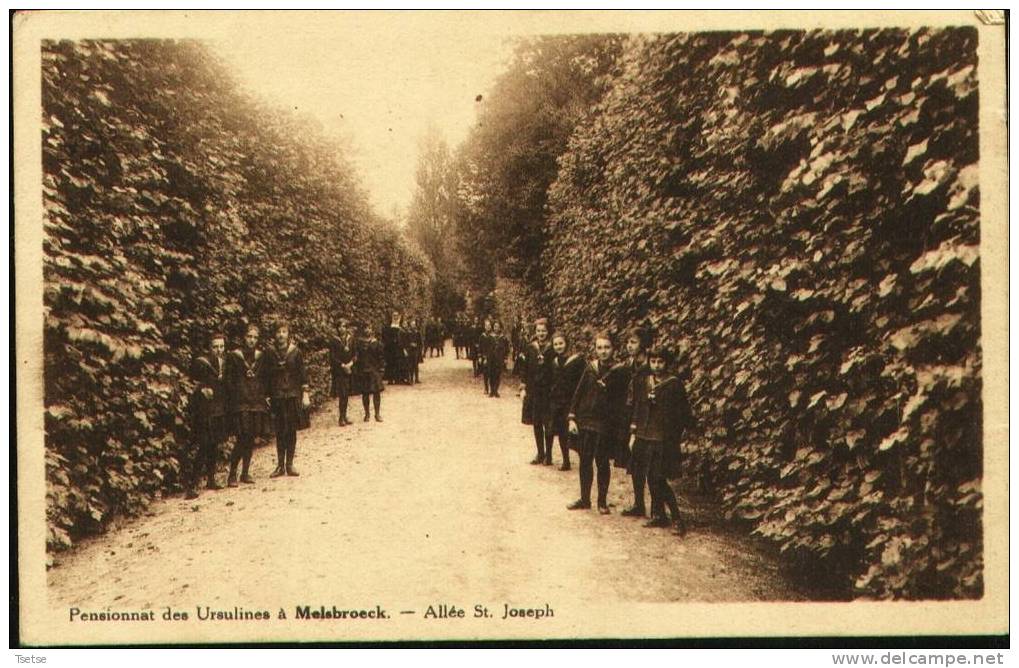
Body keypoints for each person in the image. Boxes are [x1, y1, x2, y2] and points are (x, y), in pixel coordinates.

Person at [629, 345, 694, 535]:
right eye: (653, 361)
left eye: (660, 362)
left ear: (667, 363)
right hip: (644, 435)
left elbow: (683, 413)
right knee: (649, 475)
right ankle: (659, 515)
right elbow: (638, 408)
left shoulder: (674, 384)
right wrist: (634, 432)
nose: (656, 366)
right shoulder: (644, 381)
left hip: (663, 438)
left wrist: (673, 436)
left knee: (659, 478)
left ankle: (677, 518)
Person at [567, 331, 616, 513]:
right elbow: (578, 393)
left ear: (613, 349)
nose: (603, 351)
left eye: (607, 347)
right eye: (599, 347)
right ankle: (584, 498)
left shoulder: (618, 371)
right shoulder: (590, 368)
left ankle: (602, 502)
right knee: (585, 461)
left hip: (604, 424)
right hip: (585, 421)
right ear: (595, 349)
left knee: (602, 462)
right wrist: (572, 417)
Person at [186, 333, 230, 497]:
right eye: (215, 347)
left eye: (221, 346)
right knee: (204, 445)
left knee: (214, 445)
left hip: (219, 409)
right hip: (204, 411)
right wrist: (201, 390)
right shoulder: (200, 363)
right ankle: (193, 484)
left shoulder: (225, 363)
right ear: (209, 348)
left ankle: (211, 479)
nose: (219, 350)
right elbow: (191, 384)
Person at [225, 324, 269, 487]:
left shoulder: (261, 356)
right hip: (240, 402)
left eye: (255, 337)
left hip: (255, 402)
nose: (252, 340)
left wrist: (263, 396)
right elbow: (229, 381)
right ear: (244, 337)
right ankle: (232, 474)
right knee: (241, 437)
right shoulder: (234, 356)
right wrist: (234, 397)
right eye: (249, 336)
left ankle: (245, 472)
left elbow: (264, 378)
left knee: (250, 438)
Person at [266, 323, 310, 478]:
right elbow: (266, 376)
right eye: (278, 332)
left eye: (284, 331)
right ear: (274, 335)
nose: (281, 335)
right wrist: (267, 395)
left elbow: (302, 373)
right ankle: (280, 465)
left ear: (288, 334)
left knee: (291, 430)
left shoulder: (295, 352)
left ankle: (290, 464)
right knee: (279, 431)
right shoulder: (269, 353)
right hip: (277, 396)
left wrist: (305, 394)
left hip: (292, 395)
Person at [519, 317, 554, 465]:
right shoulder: (530, 347)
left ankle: (549, 455)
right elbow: (524, 368)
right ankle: (540, 452)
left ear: (548, 331)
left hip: (548, 391)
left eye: (544, 331)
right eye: (538, 331)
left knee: (548, 424)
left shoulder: (553, 348)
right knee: (536, 423)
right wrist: (523, 387)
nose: (541, 333)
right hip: (534, 391)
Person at [548, 332, 586, 470]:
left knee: (577, 431)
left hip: (573, 401)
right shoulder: (555, 362)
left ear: (566, 343)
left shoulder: (577, 361)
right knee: (562, 431)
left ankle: (584, 460)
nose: (558, 347)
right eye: (556, 344)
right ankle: (566, 460)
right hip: (559, 401)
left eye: (561, 343)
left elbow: (583, 381)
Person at [354, 323, 385, 422]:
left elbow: (381, 357)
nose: (367, 330)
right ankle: (367, 414)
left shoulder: (377, 343)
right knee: (365, 393)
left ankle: (377, 414)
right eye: (366, 328)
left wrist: (381, 369)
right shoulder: (359, 343)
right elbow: (357, 357)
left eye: (369, 328)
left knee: (376, 393)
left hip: (374, 370)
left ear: (372, 330)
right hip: (364, 370)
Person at [329, 320, 357, 426]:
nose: (342, 328)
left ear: (347, 328)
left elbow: (355, 353)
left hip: (349, 369)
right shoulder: (334, 340)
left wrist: (350, 364)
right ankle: (341, 417)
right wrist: (342, 365)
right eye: (340, 326)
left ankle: (345, 415)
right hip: (339, 371)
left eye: (344, 326)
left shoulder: (351, 339)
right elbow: (332, 357)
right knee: (342, 394)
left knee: (346, 394)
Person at [486, 320, 510, 398]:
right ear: (493, 327)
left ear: (500, 328)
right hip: (491, 358)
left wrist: (505, 358)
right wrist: (485, 357)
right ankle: (491, 390)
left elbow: (507, 349)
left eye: (498, 326)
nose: (496, 328)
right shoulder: (490, 337)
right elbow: (487, 348)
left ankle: (496, 390)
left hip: (499, 358)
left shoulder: (503, 338)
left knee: (497, 374)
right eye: (495, 326)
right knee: (491, 374)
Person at [403, 317, 422, 384]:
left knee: (416, 365)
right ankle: (410, 379)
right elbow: (405, 342)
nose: (413, 325)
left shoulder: (417, 332)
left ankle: (416, 378)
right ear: (410, 325)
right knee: (410, 365)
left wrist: (419, 348)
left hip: (416, 350)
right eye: (412, 324)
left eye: (414, 324)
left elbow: (420, 342)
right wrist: (410, 344)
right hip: (410, 350)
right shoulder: (408, 332)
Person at [478, 318, 493, 394]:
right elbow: (480, 347)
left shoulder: (493, 336)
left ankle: (492, 388)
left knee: (491, 373)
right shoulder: (482, 336)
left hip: (492, 358)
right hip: (484, 357)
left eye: (489, 325)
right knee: (485, 373)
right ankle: (486, 388)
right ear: (484, 327)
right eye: (486, 325)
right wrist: (480, 357)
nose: (488, 327)